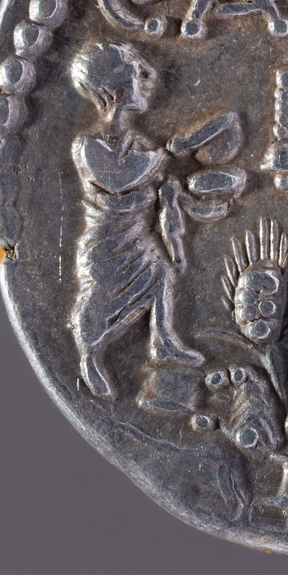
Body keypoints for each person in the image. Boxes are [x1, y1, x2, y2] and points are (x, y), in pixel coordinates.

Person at [68, 42, 208, 411]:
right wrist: (163, 157)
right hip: (106, 245)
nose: (147, 76)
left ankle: (163, 340)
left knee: (161, 275)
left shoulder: (139, 142)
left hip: (135, 237)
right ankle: (89, 354)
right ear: (115, 90)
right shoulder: (88, 145)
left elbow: (151, 183)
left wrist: (171, 192)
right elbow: (119, 178)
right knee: (100, 300)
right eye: (135, 70)